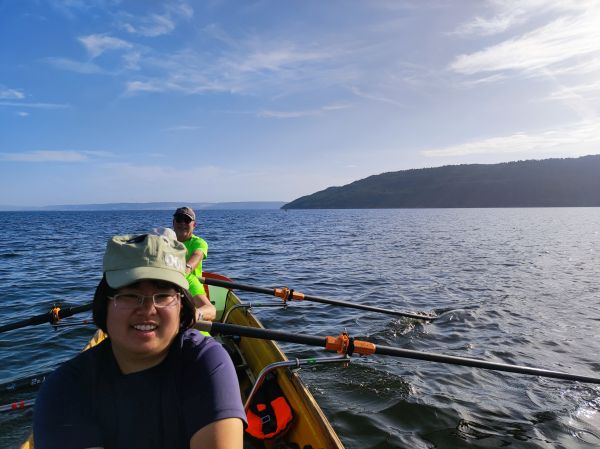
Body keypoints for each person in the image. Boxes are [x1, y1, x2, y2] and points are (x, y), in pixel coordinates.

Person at [33, 233, 245, 449]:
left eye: (163, 295)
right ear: (104, 304)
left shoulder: (206, 361)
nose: (148, 310)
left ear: (182, 305)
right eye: (130, 295)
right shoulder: (66, 389)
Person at [151, 227, 216, 322]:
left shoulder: (187, 279)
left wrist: (192, 315)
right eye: (155, 249)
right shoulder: (135, 277)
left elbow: (211, 310)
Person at [172, 207, 211, 319]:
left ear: (194, 225)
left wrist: (186, 270)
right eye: (179, 219)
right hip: (170, 283)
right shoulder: (165, 242)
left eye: (187, 220)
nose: (182, 223)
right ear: (173, 223)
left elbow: (197, 255)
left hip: (191, 289)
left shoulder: (199, 243)